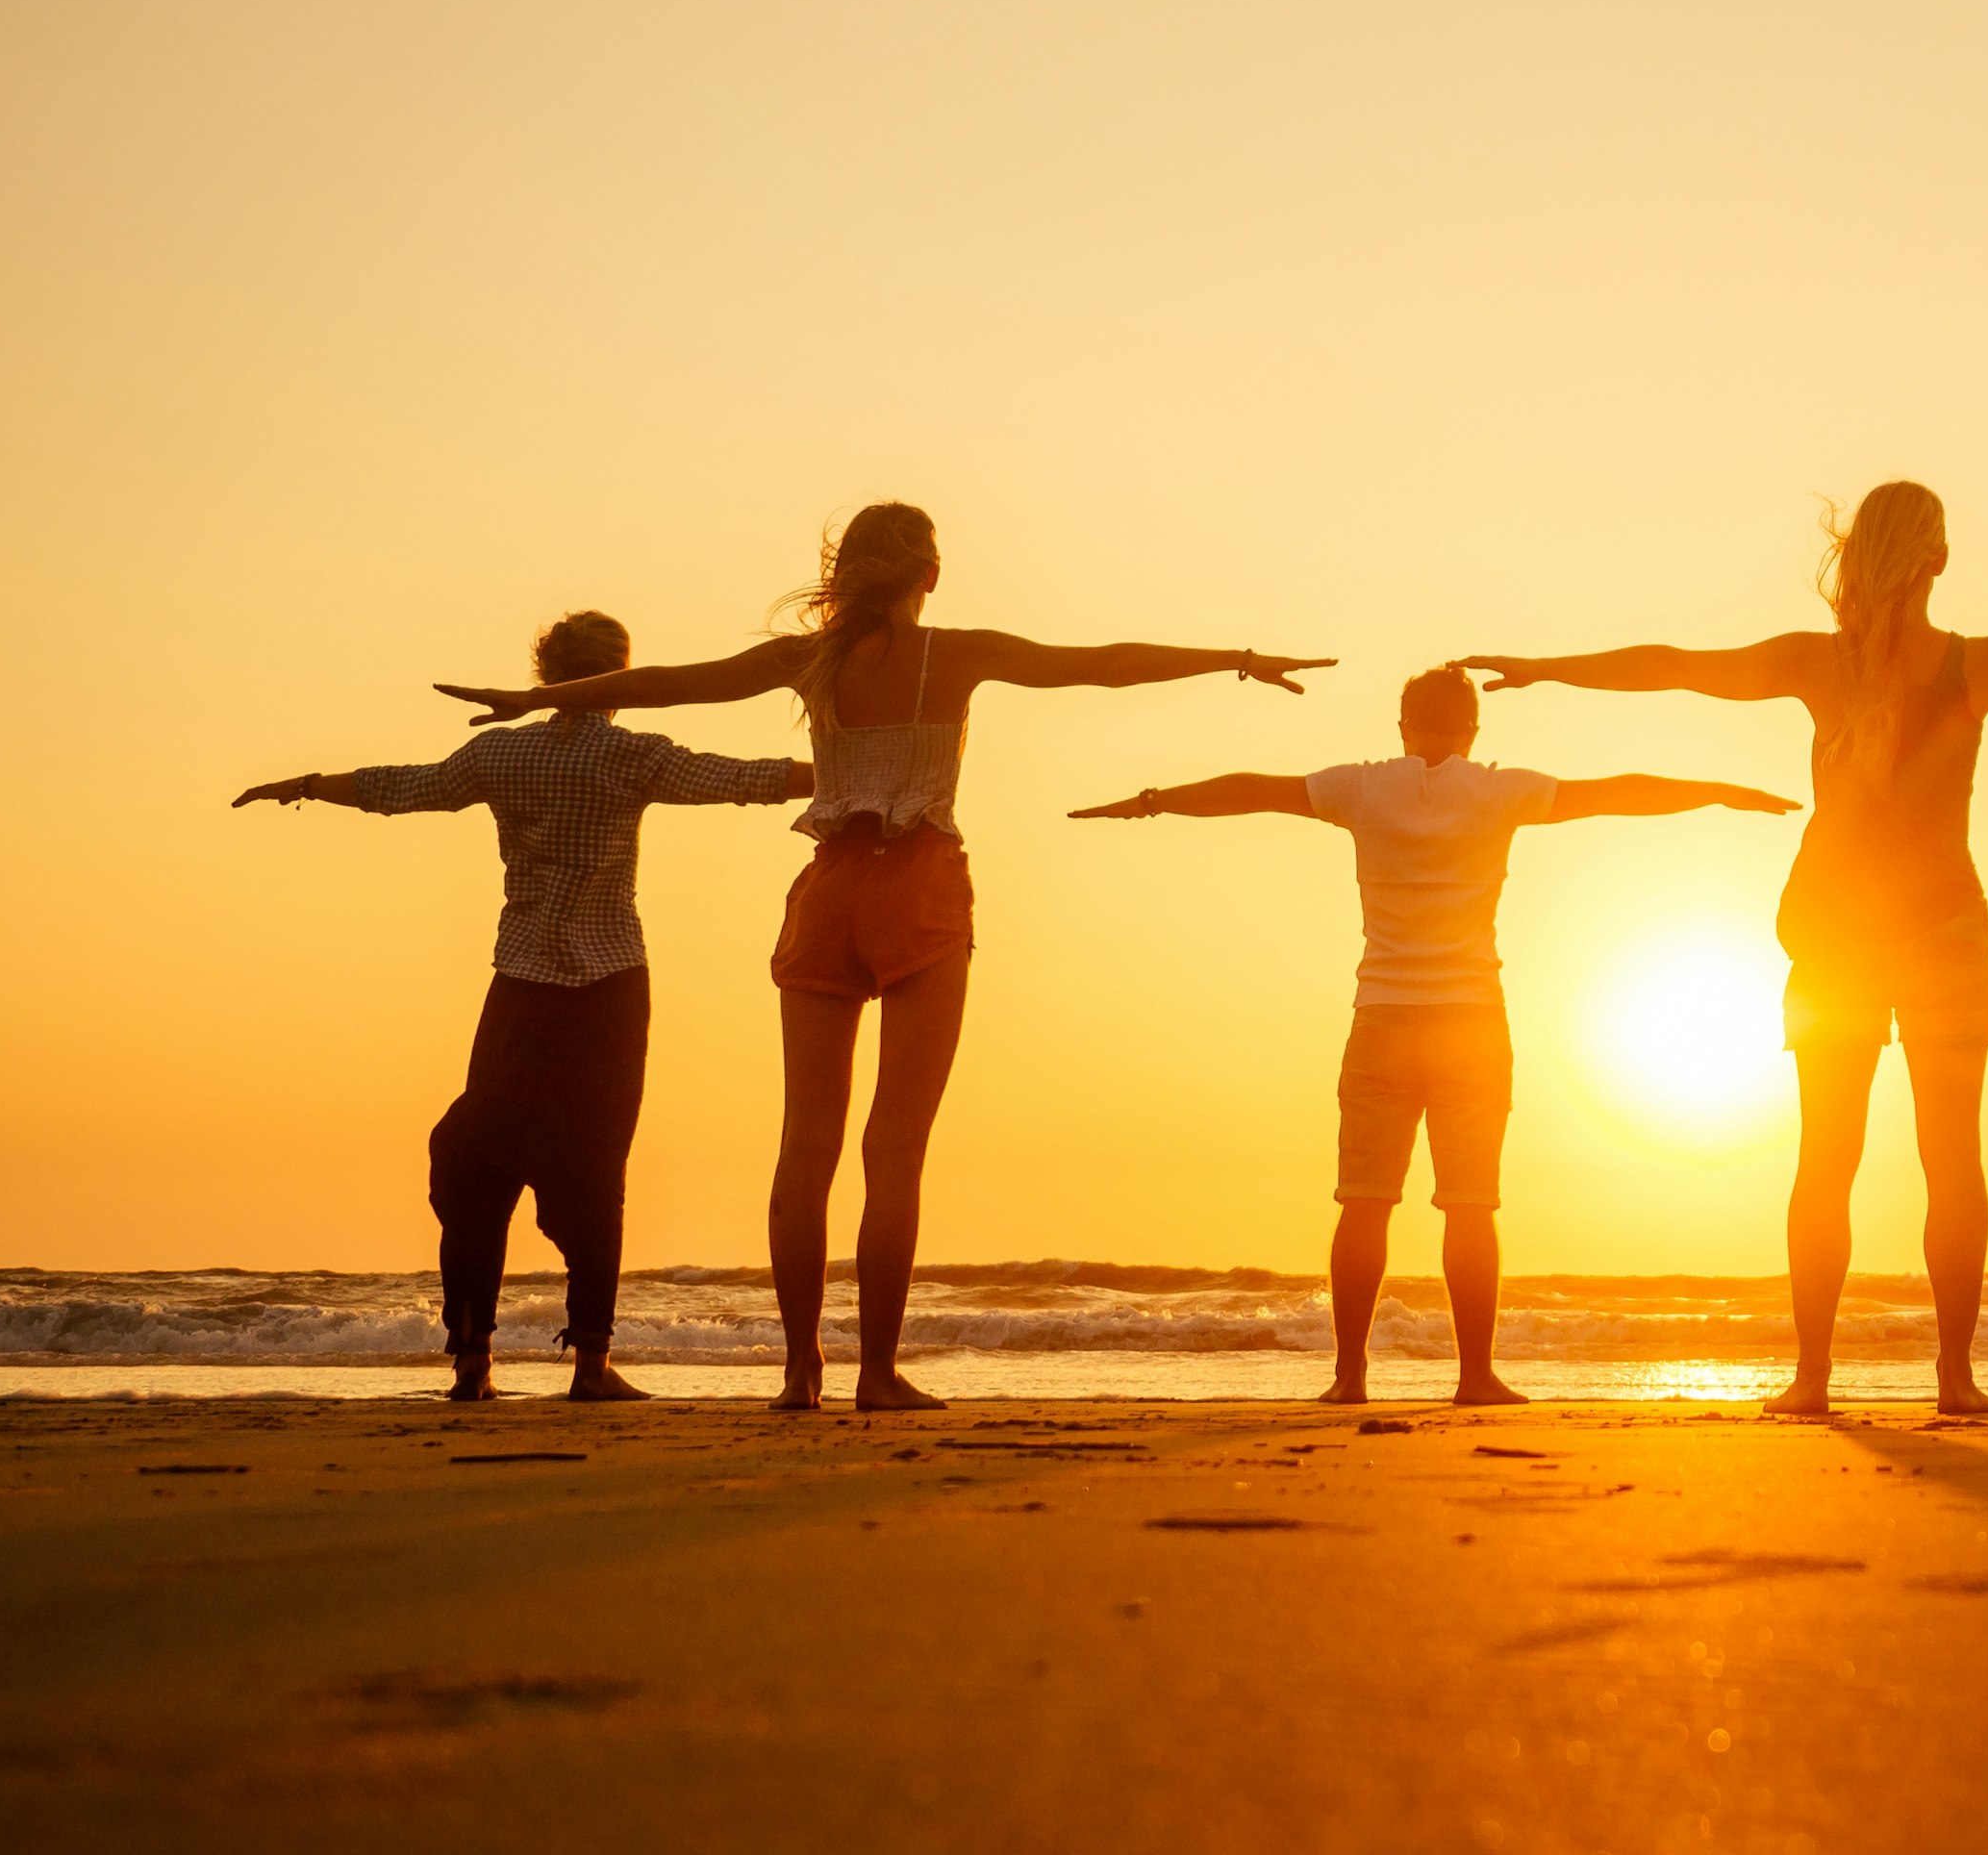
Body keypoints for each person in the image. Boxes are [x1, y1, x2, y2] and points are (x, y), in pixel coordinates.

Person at [1461, 480, 1988, 1416]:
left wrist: (1546, 666)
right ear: (1940, 558)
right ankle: (1955, 1380)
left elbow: (1675, 665)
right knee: (1951, 1158)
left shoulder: (1813, 662)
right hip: (1941, 930)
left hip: (1835, 934)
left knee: (1825, 1159)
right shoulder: (1973, 663)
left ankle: (1812, 1380)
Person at [436, 502, 1326, 1412]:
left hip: (825, 896)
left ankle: (798, 1375)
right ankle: (876, 1374)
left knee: (805, 1146)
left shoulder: (808, 661)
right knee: (893, 1149)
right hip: (919, 888)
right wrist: (1237, 660)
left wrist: (539, 701)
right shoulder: (957, 653)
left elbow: (675, 683)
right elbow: (1101, 668)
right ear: (929, 575)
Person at [1070, 664, 1797, 1406]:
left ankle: (1349, 1377)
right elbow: (1619, 792)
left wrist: (1150, 802)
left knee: (1363, 1203)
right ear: (1474, 729)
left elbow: (1251, 790)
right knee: (1471, 1205)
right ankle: (1475, 1376)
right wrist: (1721, 792)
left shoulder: (1361, 788)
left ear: (1402, 725)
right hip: (1472, 1022)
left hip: (1382, 1018)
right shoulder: (1500, 790)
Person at [239, 609, 808, 1402]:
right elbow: (744, 779)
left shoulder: (500, 753)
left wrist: (306, 786)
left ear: (544, 675)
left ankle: (472, 1362)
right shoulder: (632, 754)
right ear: (621, 680)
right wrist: (861, 768)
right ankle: (591, 1364)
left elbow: (402, 790)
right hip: (609, 988)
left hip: (519, 986)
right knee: (597, 1168)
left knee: (481, 1161)